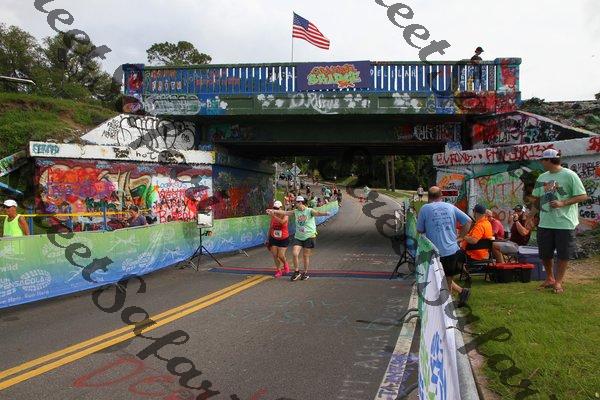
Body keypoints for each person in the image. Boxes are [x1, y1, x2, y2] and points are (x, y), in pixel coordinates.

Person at [531, 149, 588, 294]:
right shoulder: (542, 177)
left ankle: (558, 281)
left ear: (549, 160)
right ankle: (550, 278)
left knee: (563, 254)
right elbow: (537, 199)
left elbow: (582, 196)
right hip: (545, 222)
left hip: (564, 223)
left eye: (543, 160)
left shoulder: (570, 175)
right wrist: (530, 216)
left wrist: (563, 203)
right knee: (545, 253)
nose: (541, 162)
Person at [417, 187, 472, 306]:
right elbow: (468, 221)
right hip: (452, 250)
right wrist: (460, 238)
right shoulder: (450, 206)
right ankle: (459, 294)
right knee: (446, 278)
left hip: (435, 251)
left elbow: (420, 230)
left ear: (428, 197)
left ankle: (447, 305)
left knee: (438, 279)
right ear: (441, 195)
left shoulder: (425, 209)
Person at [266, 196, 330, 281]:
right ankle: (296, 272)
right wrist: (273, 211)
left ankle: (305, 272)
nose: (295, 204)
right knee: (295, 253)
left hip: (309, 236)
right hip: (299, 236)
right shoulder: (295, 211)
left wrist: (325, 213)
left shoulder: (309, 210)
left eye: (296, 202)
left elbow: (317, 213)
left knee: (305, 256)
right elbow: (285, 212)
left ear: (300, 202)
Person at [265, 200, 290, 278]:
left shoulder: (285, 215)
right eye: (274, 208)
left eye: (277, 208)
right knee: (275, 255)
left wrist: (274, 216)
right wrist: (267, 238)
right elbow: (270, 227)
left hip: (284, 238)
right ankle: (279, 270)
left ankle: (285, 263)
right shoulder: (273, 215)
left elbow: (282, 222)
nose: (275, 210)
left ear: (281, 208)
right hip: (274, 238)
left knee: (281, 255)